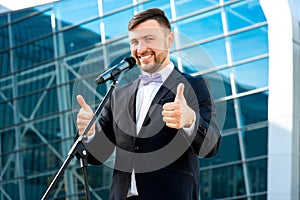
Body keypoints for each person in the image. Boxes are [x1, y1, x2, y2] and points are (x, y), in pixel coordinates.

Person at [76, 8, 221, 200]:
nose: (141, 48)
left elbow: (211, 146)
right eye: (134, 42)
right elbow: (95, 156)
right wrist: (91, 132)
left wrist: (190, 120)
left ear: (169, 41)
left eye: (149, 39)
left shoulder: (194, 86)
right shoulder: (118, 95)